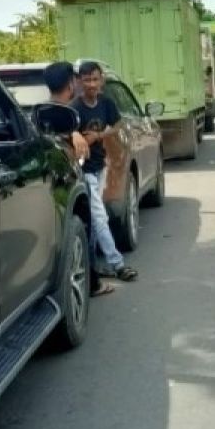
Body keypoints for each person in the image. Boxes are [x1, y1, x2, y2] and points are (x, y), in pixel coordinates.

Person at [43, 61, 116, 297]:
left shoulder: (42, 112)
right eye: (79, 79)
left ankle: (91, 278)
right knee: (88, 224)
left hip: (54, 187)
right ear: (72, 84)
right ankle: (93, 281)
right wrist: (74, 132)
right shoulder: (67, 113)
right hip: (69, 183)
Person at [72, 61, 138, 283]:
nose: (91, 84)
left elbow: (117, 125)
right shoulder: (74, 108)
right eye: (87, 80)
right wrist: (77, 136)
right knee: (100, 217)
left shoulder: (106, 103)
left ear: (101, 81)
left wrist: (98, 136)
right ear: (79, 82)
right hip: (83, 170)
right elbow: (65, 133)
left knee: (93, 218)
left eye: (95, 79)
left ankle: (91, 266)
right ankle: (117, 264)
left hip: (100, 166)